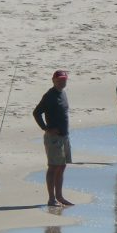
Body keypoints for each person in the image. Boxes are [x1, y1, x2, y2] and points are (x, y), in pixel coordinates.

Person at [33, 69, 73, 207]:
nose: (62, 81)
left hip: (64, 137)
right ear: (53, 80)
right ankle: (51, 199)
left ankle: (59, 196)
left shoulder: (63, 93)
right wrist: (46, 128)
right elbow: (36, 113)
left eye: (64, 79)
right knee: (53, 167)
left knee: (62, 166)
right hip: (53, 138)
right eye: (60, 79)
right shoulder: (49, 96)